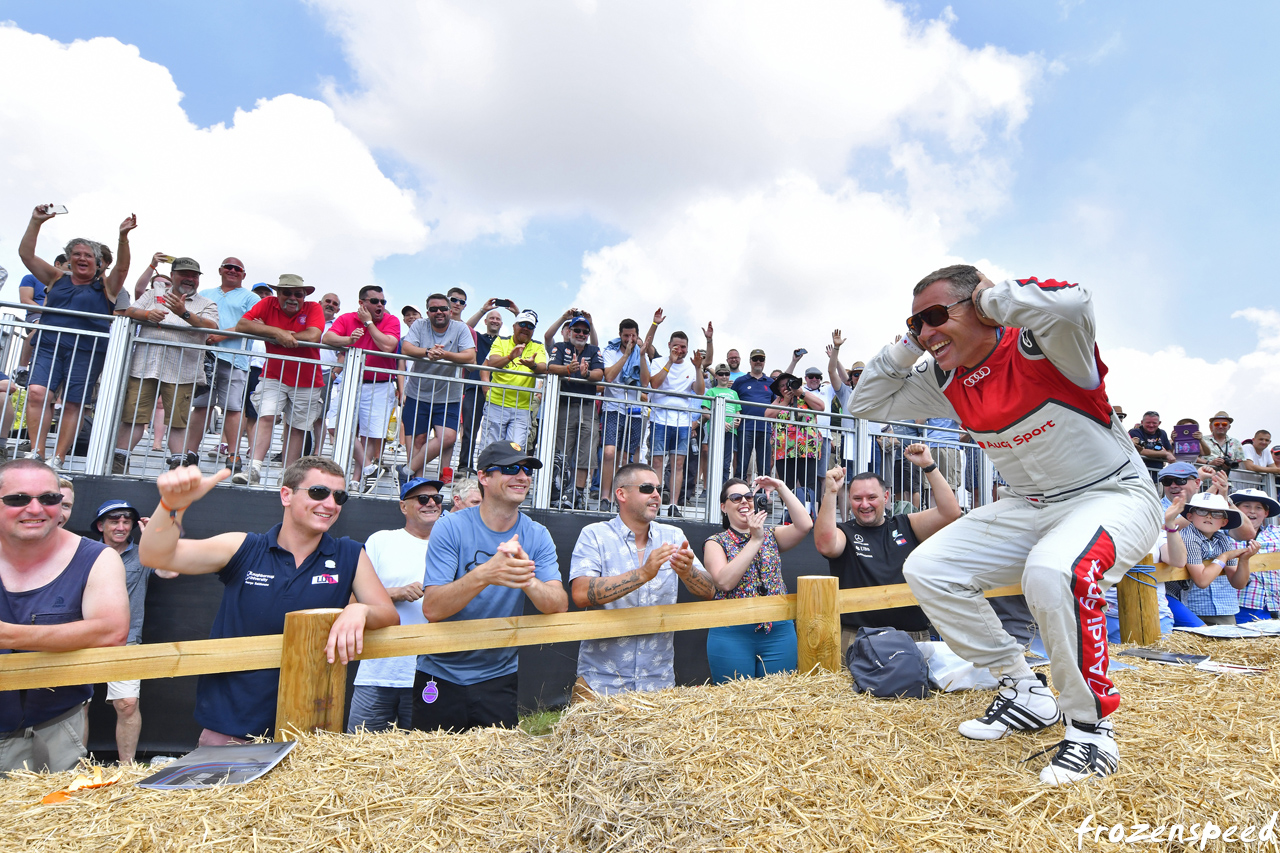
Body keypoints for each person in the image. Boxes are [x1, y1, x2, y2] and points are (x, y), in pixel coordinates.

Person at [848, 264, 1163, 784]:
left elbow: (1073, 301)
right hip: (1032, 503)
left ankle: (1090, 728)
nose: (925, 334)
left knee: (1052, 572)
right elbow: (865, 403)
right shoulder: (942, 374)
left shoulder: (1046, 341)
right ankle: (1024, 689)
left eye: (932, 317)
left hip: (1112, 494)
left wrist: (989, 301)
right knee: (929, 567)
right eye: (914, 324)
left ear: (979, 305)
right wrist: (908, 343)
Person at [138, 457, 399, 743]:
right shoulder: (245, 547)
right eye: (318, 492)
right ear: (286, 494)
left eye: (339, 496)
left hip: (308, 730)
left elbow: (388, 615)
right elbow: (156, 556)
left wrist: (360, 610)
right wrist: (172, 506)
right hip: (231, 728)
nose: (330, 504)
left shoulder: (348, 554)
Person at [414, 442, 568, 732]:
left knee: (496, 774)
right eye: (511, 469)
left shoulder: (537, 534)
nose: (522, 476)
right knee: (433, 773)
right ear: (483, 477)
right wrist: (487, 573)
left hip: (498, 677)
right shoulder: (450, 526)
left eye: (527, 470)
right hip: (440, 673)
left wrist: (525, 577)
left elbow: (558, 604)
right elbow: (432, 608)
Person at [0, 459, 129, 772]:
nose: (35, 509)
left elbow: (111, 632)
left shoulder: (97, 557)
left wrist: (7, 634)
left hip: (49, 730)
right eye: (18, 499)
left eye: (48, 498)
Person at [569, 463, 716, 699]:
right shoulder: (594, 534)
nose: (656, 495)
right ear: (621, 494)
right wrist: (643, 573)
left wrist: (688, 573)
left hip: (657, 683)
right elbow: (580, 593)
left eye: (659, 489)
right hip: (600, 683)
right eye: (647, 488)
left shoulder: (673, 536)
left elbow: (710, 591)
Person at [17, 205, 137, 468]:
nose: (82, 258)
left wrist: (122, 238)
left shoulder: (106, 286)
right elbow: (26, 255)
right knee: (37, 393)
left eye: (88, 255)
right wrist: (36, 221)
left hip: (87, 351)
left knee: (74, 403)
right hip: (49, 346)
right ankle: (37, 451)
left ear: (97, 262)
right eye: (76, 254)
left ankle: (58, 457)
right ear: (69, 259)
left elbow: (123, 268)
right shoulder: (57, 277)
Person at [813, 444, 962, 652]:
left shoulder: (906, 524)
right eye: (857, 499)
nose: (864, 504)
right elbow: (825, 545)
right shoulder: (844, 531)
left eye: (871, 497)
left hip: (913, 638)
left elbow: (950, 513)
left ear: (886, 497)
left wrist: (929, 465)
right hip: (857, 639)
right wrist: (830, 492)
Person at [347, 478, 442, 733]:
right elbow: (352, 602)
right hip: (377, 671)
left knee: (423, 760)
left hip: (430, 672)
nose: (431, 503)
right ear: (403, 507)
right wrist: (395, 593)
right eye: (422, 499)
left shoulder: (450, 545)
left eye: (437, 499)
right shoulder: (381, 541)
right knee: (360, 754)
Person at [91, 500, 178, 764]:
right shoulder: (84, 553)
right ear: (100, 525)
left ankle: (126, 770)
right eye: (114, 520)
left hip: (125, 641)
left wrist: (156, 537)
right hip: (81, 640)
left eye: (126, 521)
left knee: (127, 704)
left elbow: (170, 571)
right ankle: (73, 767)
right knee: (76, 704)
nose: (121, 526)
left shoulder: (142, 554)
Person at [703, 476, 813, 683]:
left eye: (748, 496)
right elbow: (725, 582)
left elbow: (805, 524)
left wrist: (780, 486)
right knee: (735, 702)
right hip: (731, 632)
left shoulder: (771, 535)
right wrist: (755, 540)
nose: (744, 501)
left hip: (778, 630)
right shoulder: (716, 542)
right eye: (736, 498)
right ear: (723, 507)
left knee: (776, 701)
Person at [116, 258, 220, 472]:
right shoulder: (153, 294)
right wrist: (147, 314)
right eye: (184, 274)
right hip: (145, 365)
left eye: (194, 276)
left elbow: (211, 326)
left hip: (183, 370)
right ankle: (120, 458)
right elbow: (130, 311)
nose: (189, 279)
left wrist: (184, 312)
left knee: (178, 421)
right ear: (172, 275)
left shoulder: (206, 303)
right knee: (133, 415)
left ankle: (179, 464)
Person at [232, 275, 325, 484]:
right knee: (266, 416)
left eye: (298, 294)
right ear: (278, 293)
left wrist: (271, 332)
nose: (292, 298)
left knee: (297, 427)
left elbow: (313, 335)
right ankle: (253, 469)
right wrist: (277, 332)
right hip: (274, 374)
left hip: (308, 379)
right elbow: (242, 326)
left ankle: (287, 477)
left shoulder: (313, 308)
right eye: (287, 293)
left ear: (304, 296)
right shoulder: (267, 303)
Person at [323, 286, 402, 490]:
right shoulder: (347, 318)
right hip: (350, 381)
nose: (380, 306)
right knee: (336, 426)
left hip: (379, 384)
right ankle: (369, 467)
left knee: (367, 435)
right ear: (362, 303)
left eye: (383, 302)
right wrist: (349, 340)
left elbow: (388, 346)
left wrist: (368, 323)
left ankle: (357, 480)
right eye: (375, 301)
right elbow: (328, 338)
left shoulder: (391, 320)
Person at [185, 258, 260, 471]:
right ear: (220, 270)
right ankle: (190, 453)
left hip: (235, 359)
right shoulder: (206, 293)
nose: (232, 271)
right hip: (205, 358)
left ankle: (233, 455)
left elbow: (254, 325)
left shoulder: (251, 297)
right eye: (228, 267)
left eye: (238, 269)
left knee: (233, 408)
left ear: (244, 275)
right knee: (201, 406)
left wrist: (220, 336)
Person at [398, 293, 476, 484]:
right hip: (418, 392)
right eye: (434, 309)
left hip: (449, 395)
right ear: (427, 312)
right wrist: (427, 352)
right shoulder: (419, 325)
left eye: (442, 308)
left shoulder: (461, 328)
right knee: (418, 440)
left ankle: (407, 470)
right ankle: (418, 486)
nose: (438, 312)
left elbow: (470, 357)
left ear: (450, 311)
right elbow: (406, 348)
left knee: (448, 437)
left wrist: (444, 354)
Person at [534, 313, 604, 510]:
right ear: (570, 331)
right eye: (577, 330)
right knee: (561, 454)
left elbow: (600, 374)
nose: (581, 334)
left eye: (584, 331)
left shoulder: (594, 350)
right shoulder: (561, 347)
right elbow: (550, 367)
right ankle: (558, 493)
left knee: (586, 455)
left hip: (588, 408)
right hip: (565, 406)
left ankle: (577, 495)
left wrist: (586, 374)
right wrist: (568, 369)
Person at [647, 327, 708, 516]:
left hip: (682, 421)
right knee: (657, 462)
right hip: (659, 418)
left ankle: (673, 505)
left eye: (683, 347)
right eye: (676, 346)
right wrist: (670, 363)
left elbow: (699, 391)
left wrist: (698, 368)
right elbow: (655, 384)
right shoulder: (657, 362)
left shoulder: (691, 366)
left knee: (678, 464)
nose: (680, 350)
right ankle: (655, 503)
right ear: (669, 346)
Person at [1177, 492, 1260, 625]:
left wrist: (1244, 560)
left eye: (1216, 514)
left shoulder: (1223, 539)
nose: (1209, 516)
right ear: (1189, 516)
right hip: (1192, 609)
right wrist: (1224, 556)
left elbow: (1238, 584)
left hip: (1225, 608)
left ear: (1224, 522)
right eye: (1202, 511)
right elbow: (1202, 581)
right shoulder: (1187, 537)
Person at [598, 319, 651, 513]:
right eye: (626, 335)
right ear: (620, 335)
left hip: (634, 411)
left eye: (633, 336)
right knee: (609, 453)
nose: (629, 339)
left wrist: (641, 356)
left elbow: (645, 382)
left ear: (637, 335)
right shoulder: (610, 351)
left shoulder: (641, 353)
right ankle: (605, 496)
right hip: (613, 408)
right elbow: (609, 376)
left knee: (626, 456)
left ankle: (623, 498)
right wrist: (626, 355)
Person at [481, 310, 547, 453]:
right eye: (522, 324)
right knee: (490, 449)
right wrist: (510, 357)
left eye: (530, 326)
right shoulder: (501, 341)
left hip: (522, 408)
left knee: (515, 452)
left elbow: (543, 367)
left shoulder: (538, 346)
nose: (525, 328)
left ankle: (508, 476)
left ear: (534, 330)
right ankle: (487, 476)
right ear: (514, 326)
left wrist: (532, 365)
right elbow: (492, 363)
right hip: (496, 403)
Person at [763, 373, 825, 516]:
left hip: (807, 449)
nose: (787, 387)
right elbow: (767, 415)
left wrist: (800, 393)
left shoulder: (805, 395)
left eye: (789, 383)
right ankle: (790, 515)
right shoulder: (779, 400)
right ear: (778, 389)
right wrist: (785, 401)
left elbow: (821, 407)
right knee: (786, 485)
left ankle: (811, 515)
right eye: (782, 385)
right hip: (784, 450)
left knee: (809, 484)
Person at [1231, 487, 1280, 621]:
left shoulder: (1276, 533)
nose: (1252, 511)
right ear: (1236, 509)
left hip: (1274, 605)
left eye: (1258, 507)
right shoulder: (1226, 534)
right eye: (1246, 506)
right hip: (1240, 605)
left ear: (1266, 513)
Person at [702, 364, 742, 483]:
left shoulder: (734, 393)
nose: (724, 376)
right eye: (721, 374)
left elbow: (738, 411)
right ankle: (712, 489)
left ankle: (723, 489)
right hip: (716, 431)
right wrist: (720, 422)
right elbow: (705, 411)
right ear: (716, 376)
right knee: (714, 461)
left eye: (726, 374)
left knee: (726, 463)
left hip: (730, 432)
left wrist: (737, 420)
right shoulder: (711, 391)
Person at [1128, 411, 1175, 482]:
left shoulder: (1162, 433)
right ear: (1142, 422)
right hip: (1139, 477)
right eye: (1148, 422)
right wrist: (1164, 454)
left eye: (1154, 423)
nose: (1151, 425)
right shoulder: (1135, 432)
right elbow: (1141, 451)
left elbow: (1170, 451)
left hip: (1158, 477)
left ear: (1159, 423)